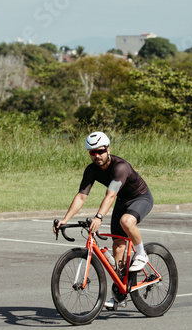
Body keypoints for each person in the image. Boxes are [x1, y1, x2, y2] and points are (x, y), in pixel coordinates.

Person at [53, 131, 154, 308]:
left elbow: (110, 195)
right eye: (92, 153)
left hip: (140, 198)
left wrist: (99, 216)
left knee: (126, 221)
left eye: (100, 151)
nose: (97, 156)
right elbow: (82, 196)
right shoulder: (91, 170)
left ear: (108, 149)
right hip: (122, 201)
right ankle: (121, 294)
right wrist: (64, 219)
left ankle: (141, 253)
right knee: (118, 249)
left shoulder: (120, 167)